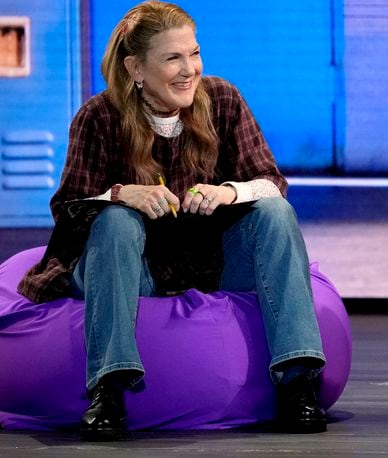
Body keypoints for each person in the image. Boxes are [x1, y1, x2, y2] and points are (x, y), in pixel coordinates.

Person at [18, 1, 327, 440]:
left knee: (275, 211)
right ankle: (108, 389)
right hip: (132, 270)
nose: (189, 70)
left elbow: (272, 181)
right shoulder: (99, 117)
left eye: (194, 53)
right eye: (173, 58)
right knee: (116, 221)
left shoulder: (222, 99)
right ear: (136, 69)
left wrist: (228, 192)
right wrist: (124, 196)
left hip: (208, 264)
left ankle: (298, 383)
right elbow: (66, 208)